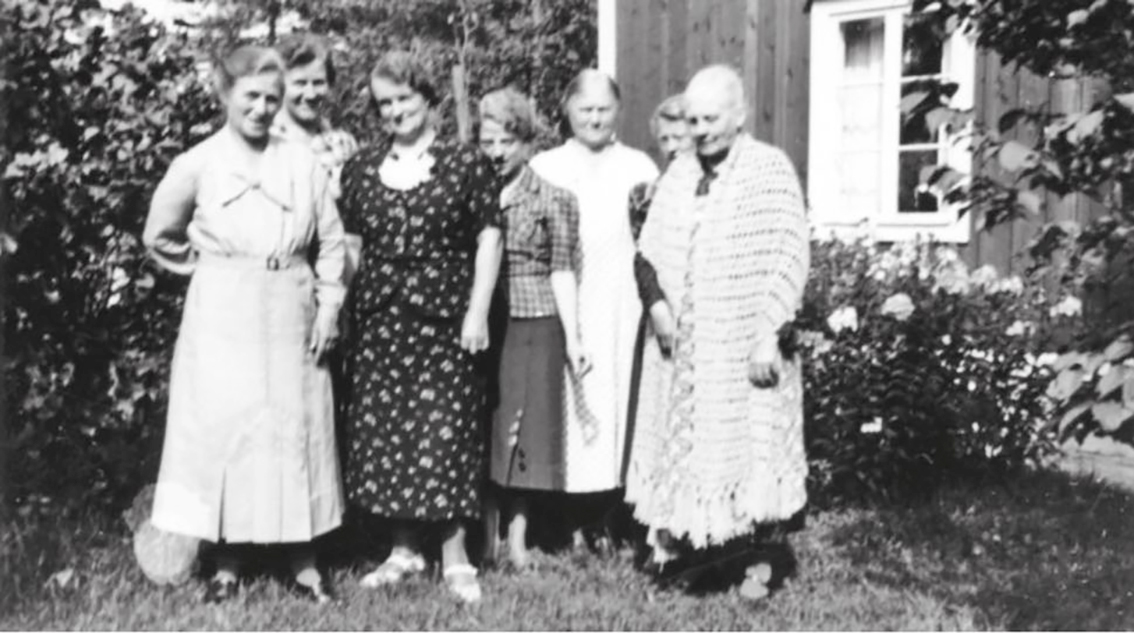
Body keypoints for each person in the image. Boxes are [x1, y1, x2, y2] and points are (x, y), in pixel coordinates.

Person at [143, 45, 346, 605]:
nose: (261, 108)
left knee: (294, 429)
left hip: (293, 307)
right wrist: (215, 271)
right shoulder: (197, 162)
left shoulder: (302, 163)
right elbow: (159, 235)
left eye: (271, 98)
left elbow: (331, 242)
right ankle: (227, 564)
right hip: (223, 313)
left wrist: (329, 307)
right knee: (228, 430)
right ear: (225, 94)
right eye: (251, 96)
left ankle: (305, 564)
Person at [624, 64, 810, 601]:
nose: (700, 130)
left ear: (739, 115)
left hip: (744, 343)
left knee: (751, 447)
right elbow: (647, 252)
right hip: (682, 349)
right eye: (693, 120)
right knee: (686, 447)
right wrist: (658, 305)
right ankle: (692, 555)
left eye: (710, 119)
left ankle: (754, 562)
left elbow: (790, 255)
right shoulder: (679, 174)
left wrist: (769, 334)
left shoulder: (769, 170)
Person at [338, 50, 503, 604]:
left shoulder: (465, 162)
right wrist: (339, 306)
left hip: (446, 319)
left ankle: (456, 556)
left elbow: (489, 237)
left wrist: (477, 310)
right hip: (381, 320)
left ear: (429, 99)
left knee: (446, 428)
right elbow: (352, 244)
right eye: (384, 103)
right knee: (389, 432)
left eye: (404, 98)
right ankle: (403, 550)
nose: (395, 111)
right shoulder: (361, 168)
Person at [528, 70, 658, 543]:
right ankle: (565, 516)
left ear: (618, 111)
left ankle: (612, 513)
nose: (595, 118)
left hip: (622, 301)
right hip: (565, 298)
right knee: (570, 402)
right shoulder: (546, 166)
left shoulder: (639, 166)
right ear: (568, 110)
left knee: (617, 398)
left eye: (604, 109)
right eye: (586, 109)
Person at [476, 87, 587, 569]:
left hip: (534, 321)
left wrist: (574, 339)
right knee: (486, 428)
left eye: (507, 142)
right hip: (482, 323)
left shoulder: (554, 199)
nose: (497, 153)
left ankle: (518, 538)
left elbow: (562, 270)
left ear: (527, 143)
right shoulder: (470, 190)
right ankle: (486, 536)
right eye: (488, 142)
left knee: (528, 432)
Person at [624, 95, 691, 480]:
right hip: (664, 311)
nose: (672, 147)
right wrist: (657, 305)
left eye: (680, 137)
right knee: (664, 408)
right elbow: (643, 257)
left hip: (710, 317)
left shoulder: (720, 191)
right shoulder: (646, 195)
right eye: (664, 140)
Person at [273, 33, 358, 198]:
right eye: (300, 83)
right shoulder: (264, 142)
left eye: (318, 83)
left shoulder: (342, 145)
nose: (310, 94)